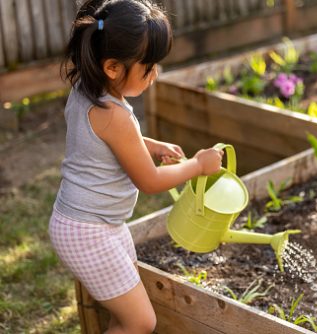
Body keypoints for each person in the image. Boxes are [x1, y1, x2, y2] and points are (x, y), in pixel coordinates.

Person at [49, 1, 223, 333]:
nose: (154, 74)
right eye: (148, 67)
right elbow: (150, 180)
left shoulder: (87, 91)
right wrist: (199, 165)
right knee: (140, 321)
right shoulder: (114, 115)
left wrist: (152, 146)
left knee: (126, 315)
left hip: (92, 224)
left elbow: (108, 143)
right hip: (88, 232)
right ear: (113, 67)